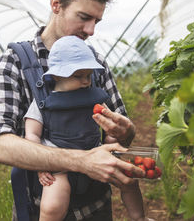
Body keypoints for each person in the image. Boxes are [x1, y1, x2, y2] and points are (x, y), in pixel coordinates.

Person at [0, 0, 145, 220]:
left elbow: (121, 133)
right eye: (83, 17)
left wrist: (126, 130)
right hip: (41, 207)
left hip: (96, 207)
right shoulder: (15, 61)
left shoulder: (96, 64)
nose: (90, 30)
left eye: (96, 22)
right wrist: (79, 161)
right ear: (56, 4)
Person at [24, 35, 145, 221]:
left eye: (89, 75)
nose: (86, 81)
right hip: (60, 164)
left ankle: (139, 218)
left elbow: (109, 127)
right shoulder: (43, 102)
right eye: (78, 76)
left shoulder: (95, 98)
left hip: (97, 157)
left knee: (129, 181)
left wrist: (113, 137)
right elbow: (32, 134)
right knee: (52, 206)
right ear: (56, 75)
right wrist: (41, 164)